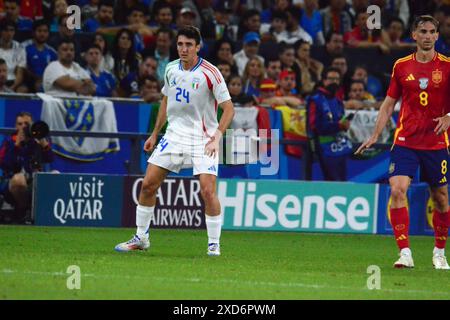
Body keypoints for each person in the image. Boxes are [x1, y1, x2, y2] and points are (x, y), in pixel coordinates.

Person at [115, 26, 235, 256]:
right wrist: (154, 133)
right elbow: (165, 100)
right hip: (174, 136)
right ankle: (141, 237)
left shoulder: (211, 72)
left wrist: (216, 137)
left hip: (203, 139)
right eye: (180, 44)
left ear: (198, 47)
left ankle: (213, 243)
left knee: (208, 191)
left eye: (189, 44)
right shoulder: (170, 69)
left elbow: (229, 109)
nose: (184, 49)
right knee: (148, 184)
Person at [356, 15, 450, 270]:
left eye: (433, 31)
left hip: (436, 143)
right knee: (397, 190)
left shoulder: (448, 66)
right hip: (406, 140)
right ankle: (405, 252)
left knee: (441, 198)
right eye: (423, 31)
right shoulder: (401, 66)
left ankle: (439, 253)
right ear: (414, 36)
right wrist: (376, 134)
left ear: (437, 36)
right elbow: (389, 103)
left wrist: (449, 116)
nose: (428, 35)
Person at [0, 112, 54, 223]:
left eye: (26, 123)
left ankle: (50, 215)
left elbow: (50, 159)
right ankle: (23, 211)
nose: (23, 127)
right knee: (19, 179)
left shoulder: (38, 140)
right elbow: (5, 164)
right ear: (16, 126)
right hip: (12, 183)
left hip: (34, 181)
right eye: (20, 124)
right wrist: (16, 146)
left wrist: (43, 143)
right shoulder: (9, 141)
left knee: (55, 175)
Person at [307, 67, 352, 181]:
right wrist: (338, 126)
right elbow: (314, 126)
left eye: (337, 79)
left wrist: (344, 124)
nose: (334, 82)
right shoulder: (315, 99)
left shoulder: (338, 101)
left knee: (341, 181)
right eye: (331, 79)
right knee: (330, 182)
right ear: (324, 80)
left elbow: (340, 120)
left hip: (339, 147)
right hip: (323, 148)